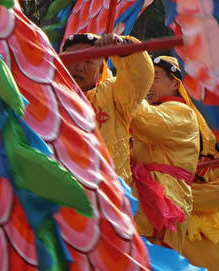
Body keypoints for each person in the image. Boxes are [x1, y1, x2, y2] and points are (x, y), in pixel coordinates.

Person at [130, 55, 219, 271]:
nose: (147, 83)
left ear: (175, 83)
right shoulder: (160, 110)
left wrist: (120, 84)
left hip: (177, 210)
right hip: (151, 202)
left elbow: (141, 119)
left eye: (153, 76)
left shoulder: (182, 113)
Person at [61, 32, 155, 184]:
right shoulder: (48, 92)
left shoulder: (113, 95)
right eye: (73, 59)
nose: (79, 67)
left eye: (89, 62)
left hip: (105, 192)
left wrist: (121, 46)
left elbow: (140, 77)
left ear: (100, 70)